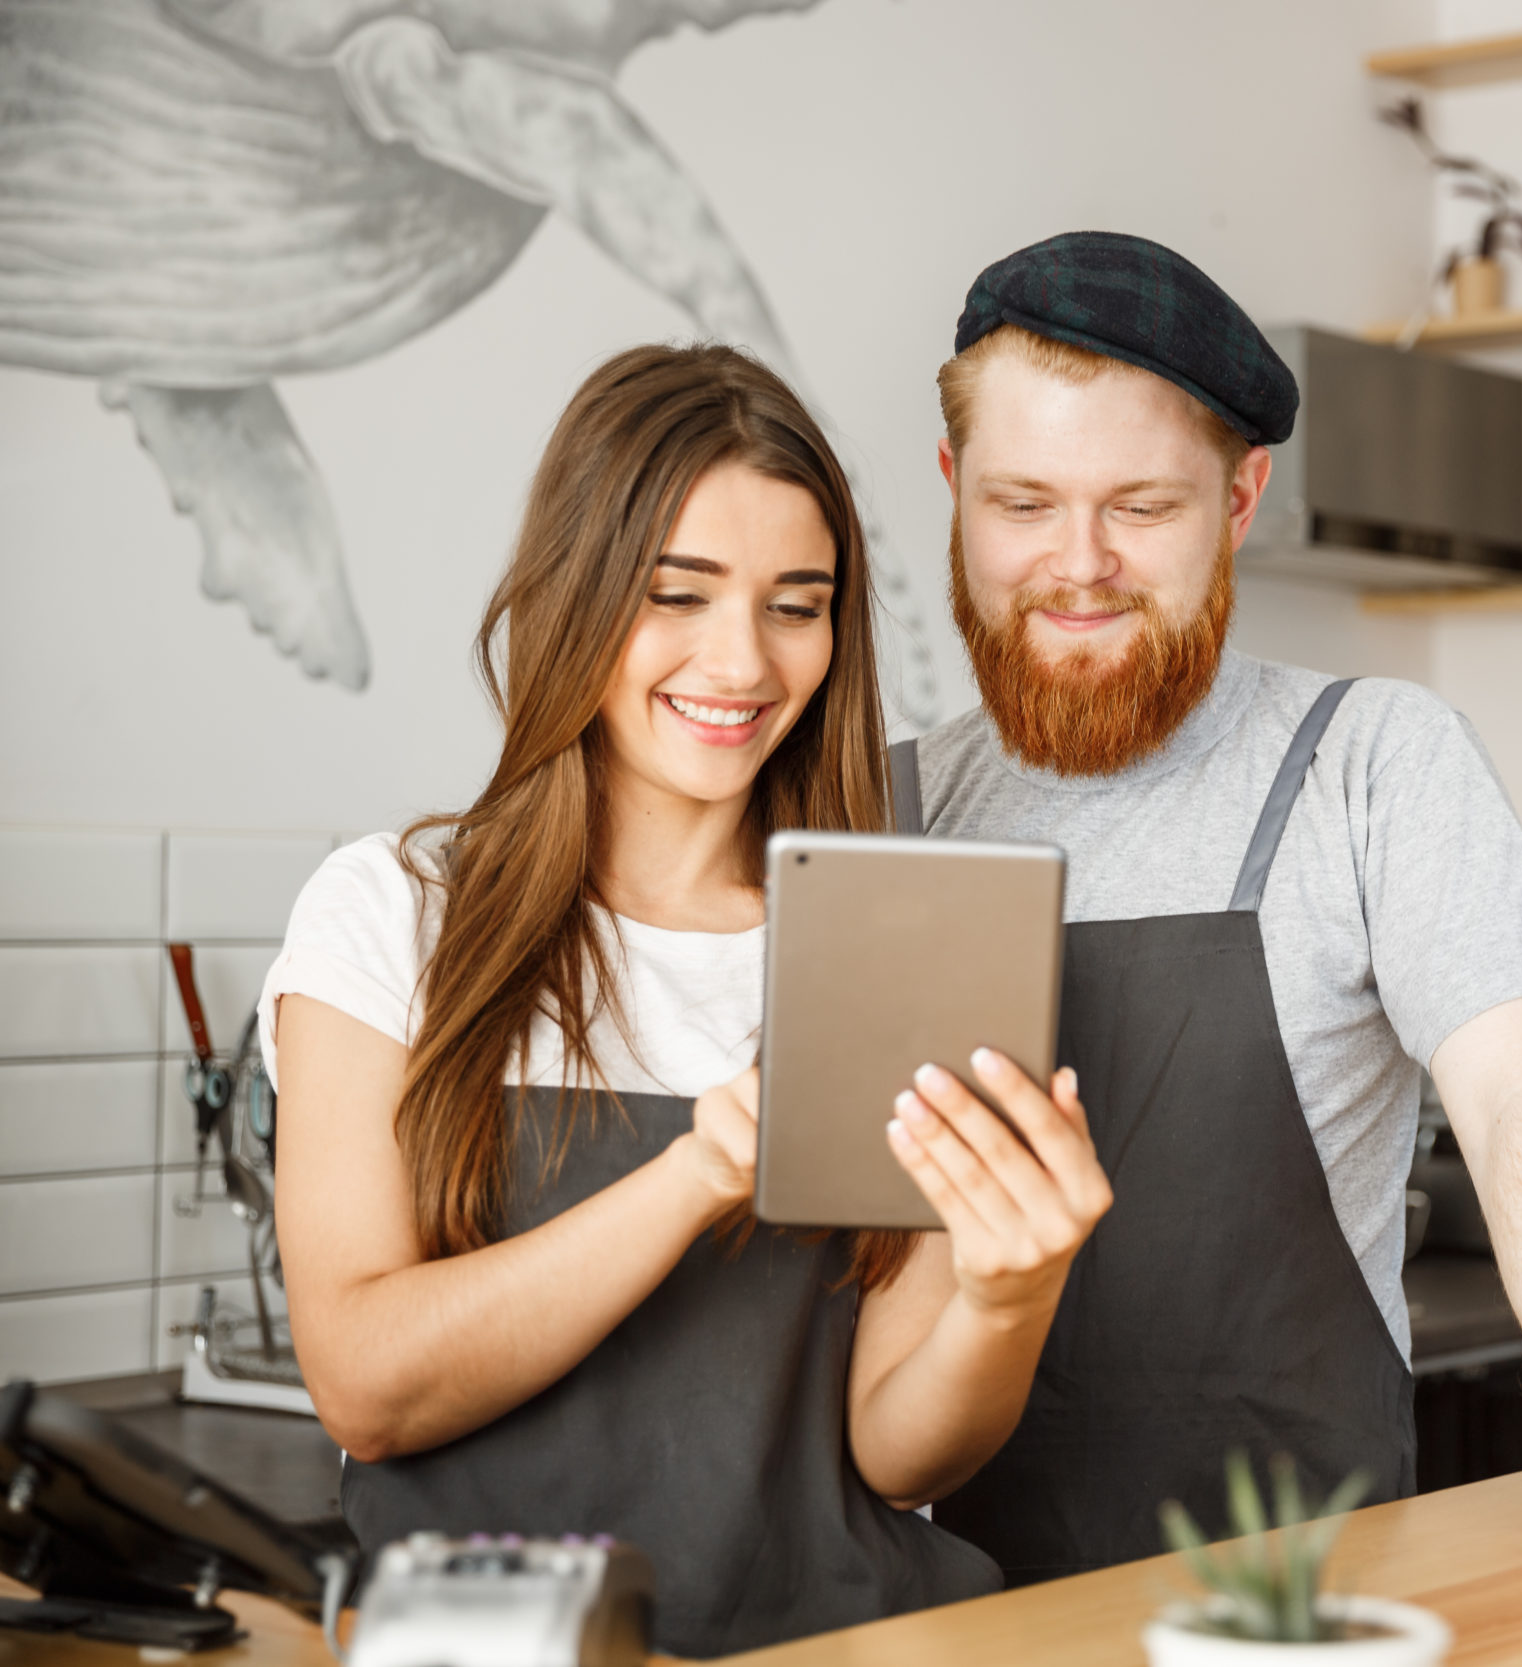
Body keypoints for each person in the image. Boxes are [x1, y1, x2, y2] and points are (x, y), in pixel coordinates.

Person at [897, 233, 1522, 1583]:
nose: (1078, 566)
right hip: (944, 1605)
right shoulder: (880, 809)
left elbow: (1520, 1100)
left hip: (1310, 1605)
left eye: (1140, 506)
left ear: (1242, 500)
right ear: (955, 488)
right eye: (1023, 504)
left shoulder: (1374, 763)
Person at [262, 344, 1113, 1657]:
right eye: (679, 593)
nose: (744, 660)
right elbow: (368, 1387)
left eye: (797, 603)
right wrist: (698, 1174)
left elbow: (890, 1455)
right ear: (574, 594)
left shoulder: (895, 944)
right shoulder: (393, 916)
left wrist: (1009, 1297)